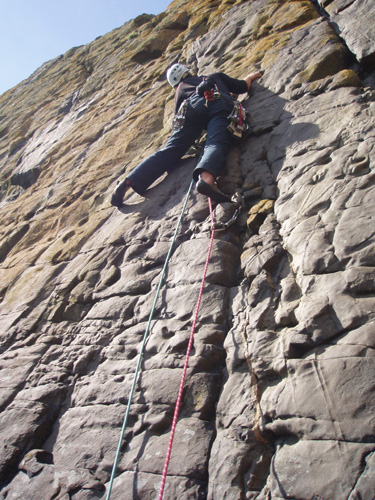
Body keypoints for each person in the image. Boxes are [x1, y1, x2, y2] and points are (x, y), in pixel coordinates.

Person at [110, 63, 262, 207]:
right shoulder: (214, 76)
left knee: (171, 150)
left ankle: (129, 181)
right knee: (216, 142)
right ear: (187, 72)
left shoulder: (180, 90)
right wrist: (252, 76)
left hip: (189, 109)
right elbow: (243, 86)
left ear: (174, 83)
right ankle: (206, 179)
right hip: (217, 102)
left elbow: (179, 121)